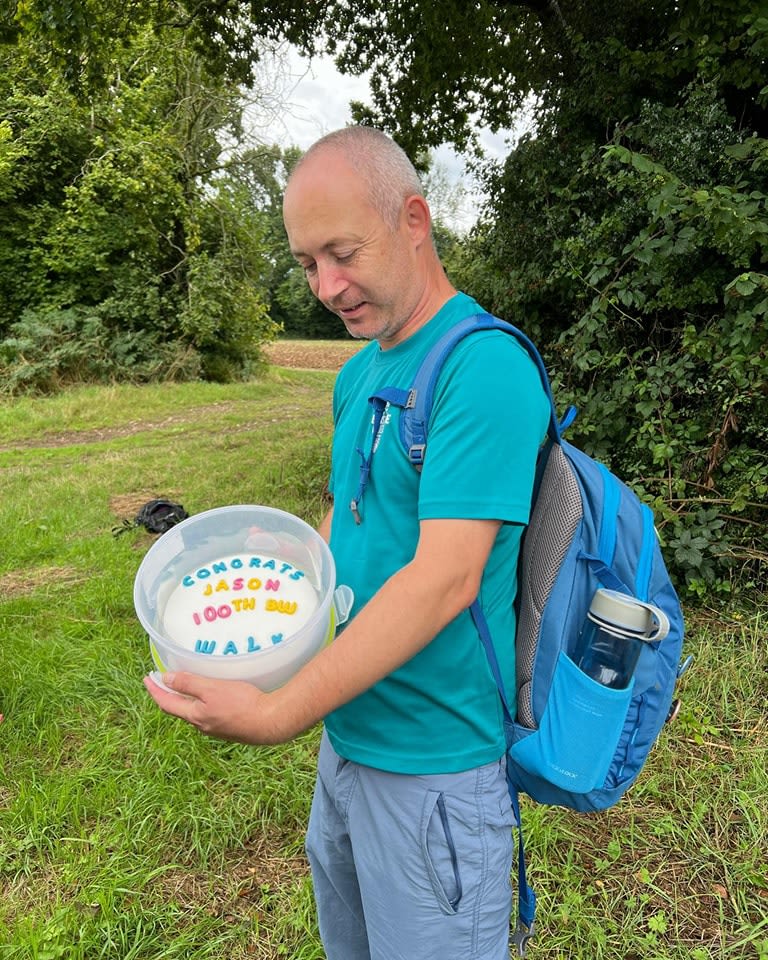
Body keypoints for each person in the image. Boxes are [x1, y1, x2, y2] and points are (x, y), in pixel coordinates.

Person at [144, 126, 549, 959]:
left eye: (342, 253)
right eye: (305, 263)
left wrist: (278, 711)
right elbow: (350, 519)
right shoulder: (360, 372)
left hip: (436, 771)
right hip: (349, 742)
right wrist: (291, 561)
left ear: (413, 220)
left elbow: (445, 579)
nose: (326, 287)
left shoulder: (483, 369)